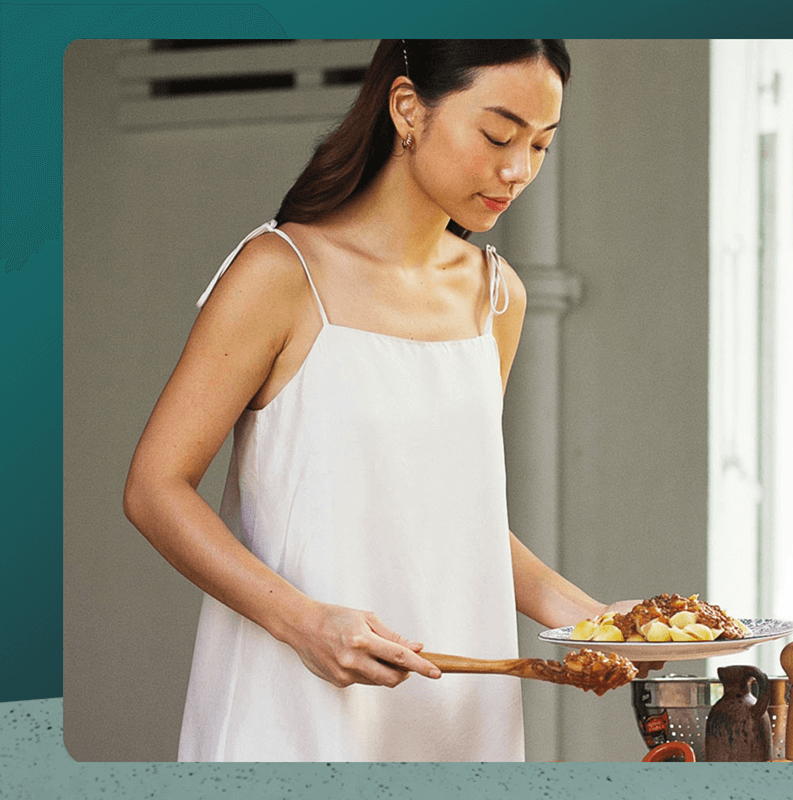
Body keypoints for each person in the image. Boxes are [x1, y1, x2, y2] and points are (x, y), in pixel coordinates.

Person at [124, 39, 653, 763]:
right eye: (498, 135)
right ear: (408, 108)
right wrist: (304, 624)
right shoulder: (282, 273)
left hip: (458, 705)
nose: (517, 170)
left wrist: (594, 622)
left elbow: (452, 516)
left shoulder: (495, 296)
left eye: (540, 146)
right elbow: (154, 489)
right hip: (295, 702)